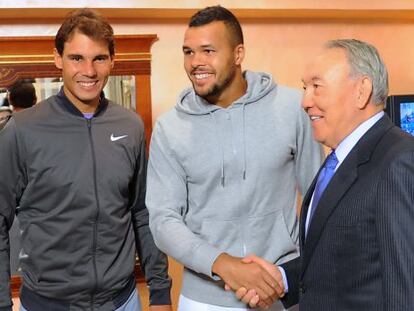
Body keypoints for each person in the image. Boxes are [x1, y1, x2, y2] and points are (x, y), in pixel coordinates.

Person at [146, 5, 323, 311]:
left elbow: (318, 201)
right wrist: (222, 263)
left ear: (238, 53)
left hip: (280, 289)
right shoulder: (169, 127)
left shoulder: (292, 107)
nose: (195, 62)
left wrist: (289, 276)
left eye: (208, 50)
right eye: (188, 52)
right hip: (204, 298)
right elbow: (163, 220)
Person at [0, 8, 172, 311]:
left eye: (99, 58)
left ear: (112, 61)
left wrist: (159, 292)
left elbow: (143, 213)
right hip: (46, 304)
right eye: (76, 58)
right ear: (58, 59)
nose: (89, 71)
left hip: (122, 301)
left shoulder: (130, 126)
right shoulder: (22, 130)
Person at [237, 39, 414, 310]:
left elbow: (404, 289)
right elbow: (346, 258)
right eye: (304, 88)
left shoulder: (397, 161)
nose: (305, 101)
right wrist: (282, 279)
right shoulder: (339, 157)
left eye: (316, 87)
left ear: (361, 91)